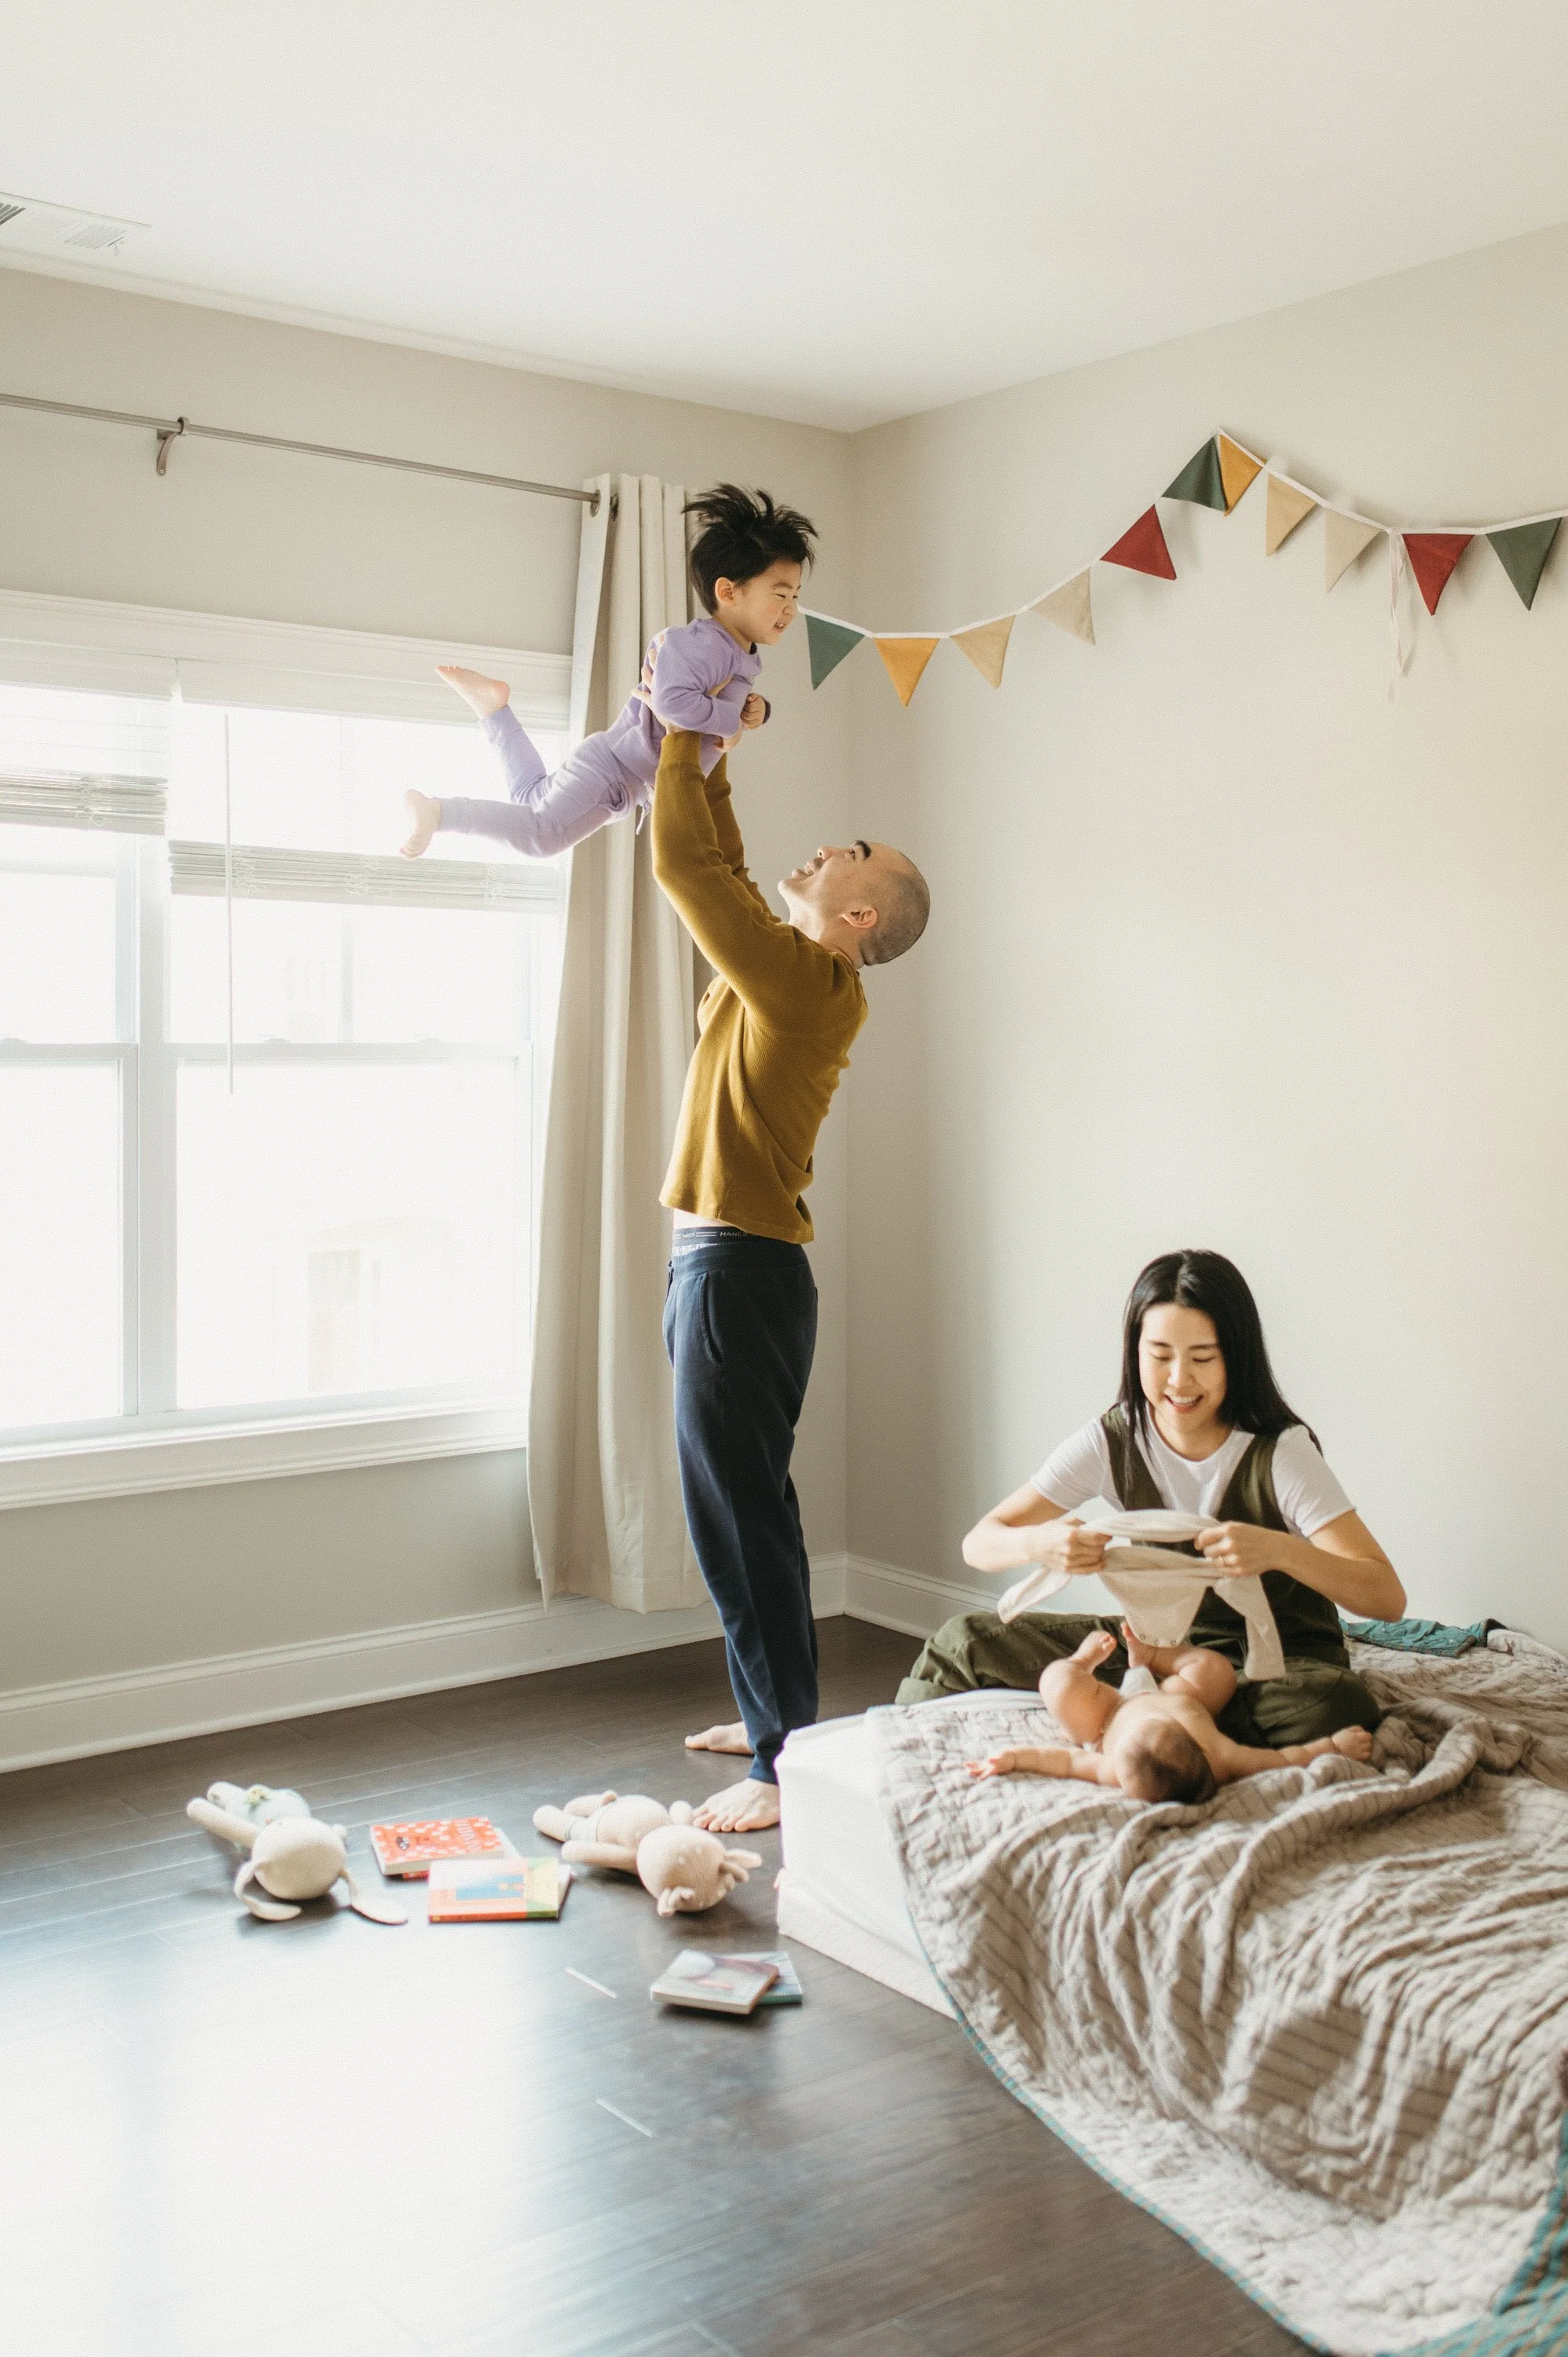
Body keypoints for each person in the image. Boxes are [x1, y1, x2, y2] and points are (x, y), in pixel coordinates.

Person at [650, 724, 930, 1835]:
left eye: (850, 851)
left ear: (860, 917)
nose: (824, 848)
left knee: (741, 1523)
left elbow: (680, 873)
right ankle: (780, 1721)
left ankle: (781, 1765)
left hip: (738, 1277)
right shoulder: (788, 970)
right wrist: (706, 756)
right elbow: (713, 863)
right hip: (725, 1273)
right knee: (745, 1512)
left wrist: (676, 736)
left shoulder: (814, 986)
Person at [897, 1248, 1405, 1750]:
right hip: (1157, 1650)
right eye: (1160, 1356)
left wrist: (1277, 1551)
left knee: (1334, 1702)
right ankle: (905, 1749)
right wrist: (1041, 1544)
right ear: (1135, 1353)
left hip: (1275, 1660)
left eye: (1203, 1358)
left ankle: (1136, 1718)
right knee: (961, 1642)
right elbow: (980, 1543)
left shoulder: (1281, 1454)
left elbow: (1385, 1597)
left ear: (1237, 1357)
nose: (1179, 1380)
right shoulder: (1113, 1439)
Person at [399, 485, 813, 862]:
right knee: (541, 837)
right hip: (614, 769)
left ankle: (494, 711)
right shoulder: (701, 644)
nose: (791, 608)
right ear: (728, 592)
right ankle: (439, 811)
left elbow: (711, 702)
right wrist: (731, 725)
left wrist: (755, 709)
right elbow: (672, 703)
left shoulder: (736, 651)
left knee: (530, 798)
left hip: (621, 775)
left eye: (794, 595)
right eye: (780, 595)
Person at [965, 1622, 1376, 1802]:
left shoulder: (1113, 1768)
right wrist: (1332, 1746)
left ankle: (1081, 1662)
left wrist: (1017, 1758)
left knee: (1059, 1684)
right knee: (1216, 1673)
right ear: (1199, 1750)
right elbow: (1288, 1758)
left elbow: (1068, 1760)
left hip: (1107, 1715)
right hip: (1175, 1694)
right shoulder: (1225, 1758)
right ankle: (1152, 1657)